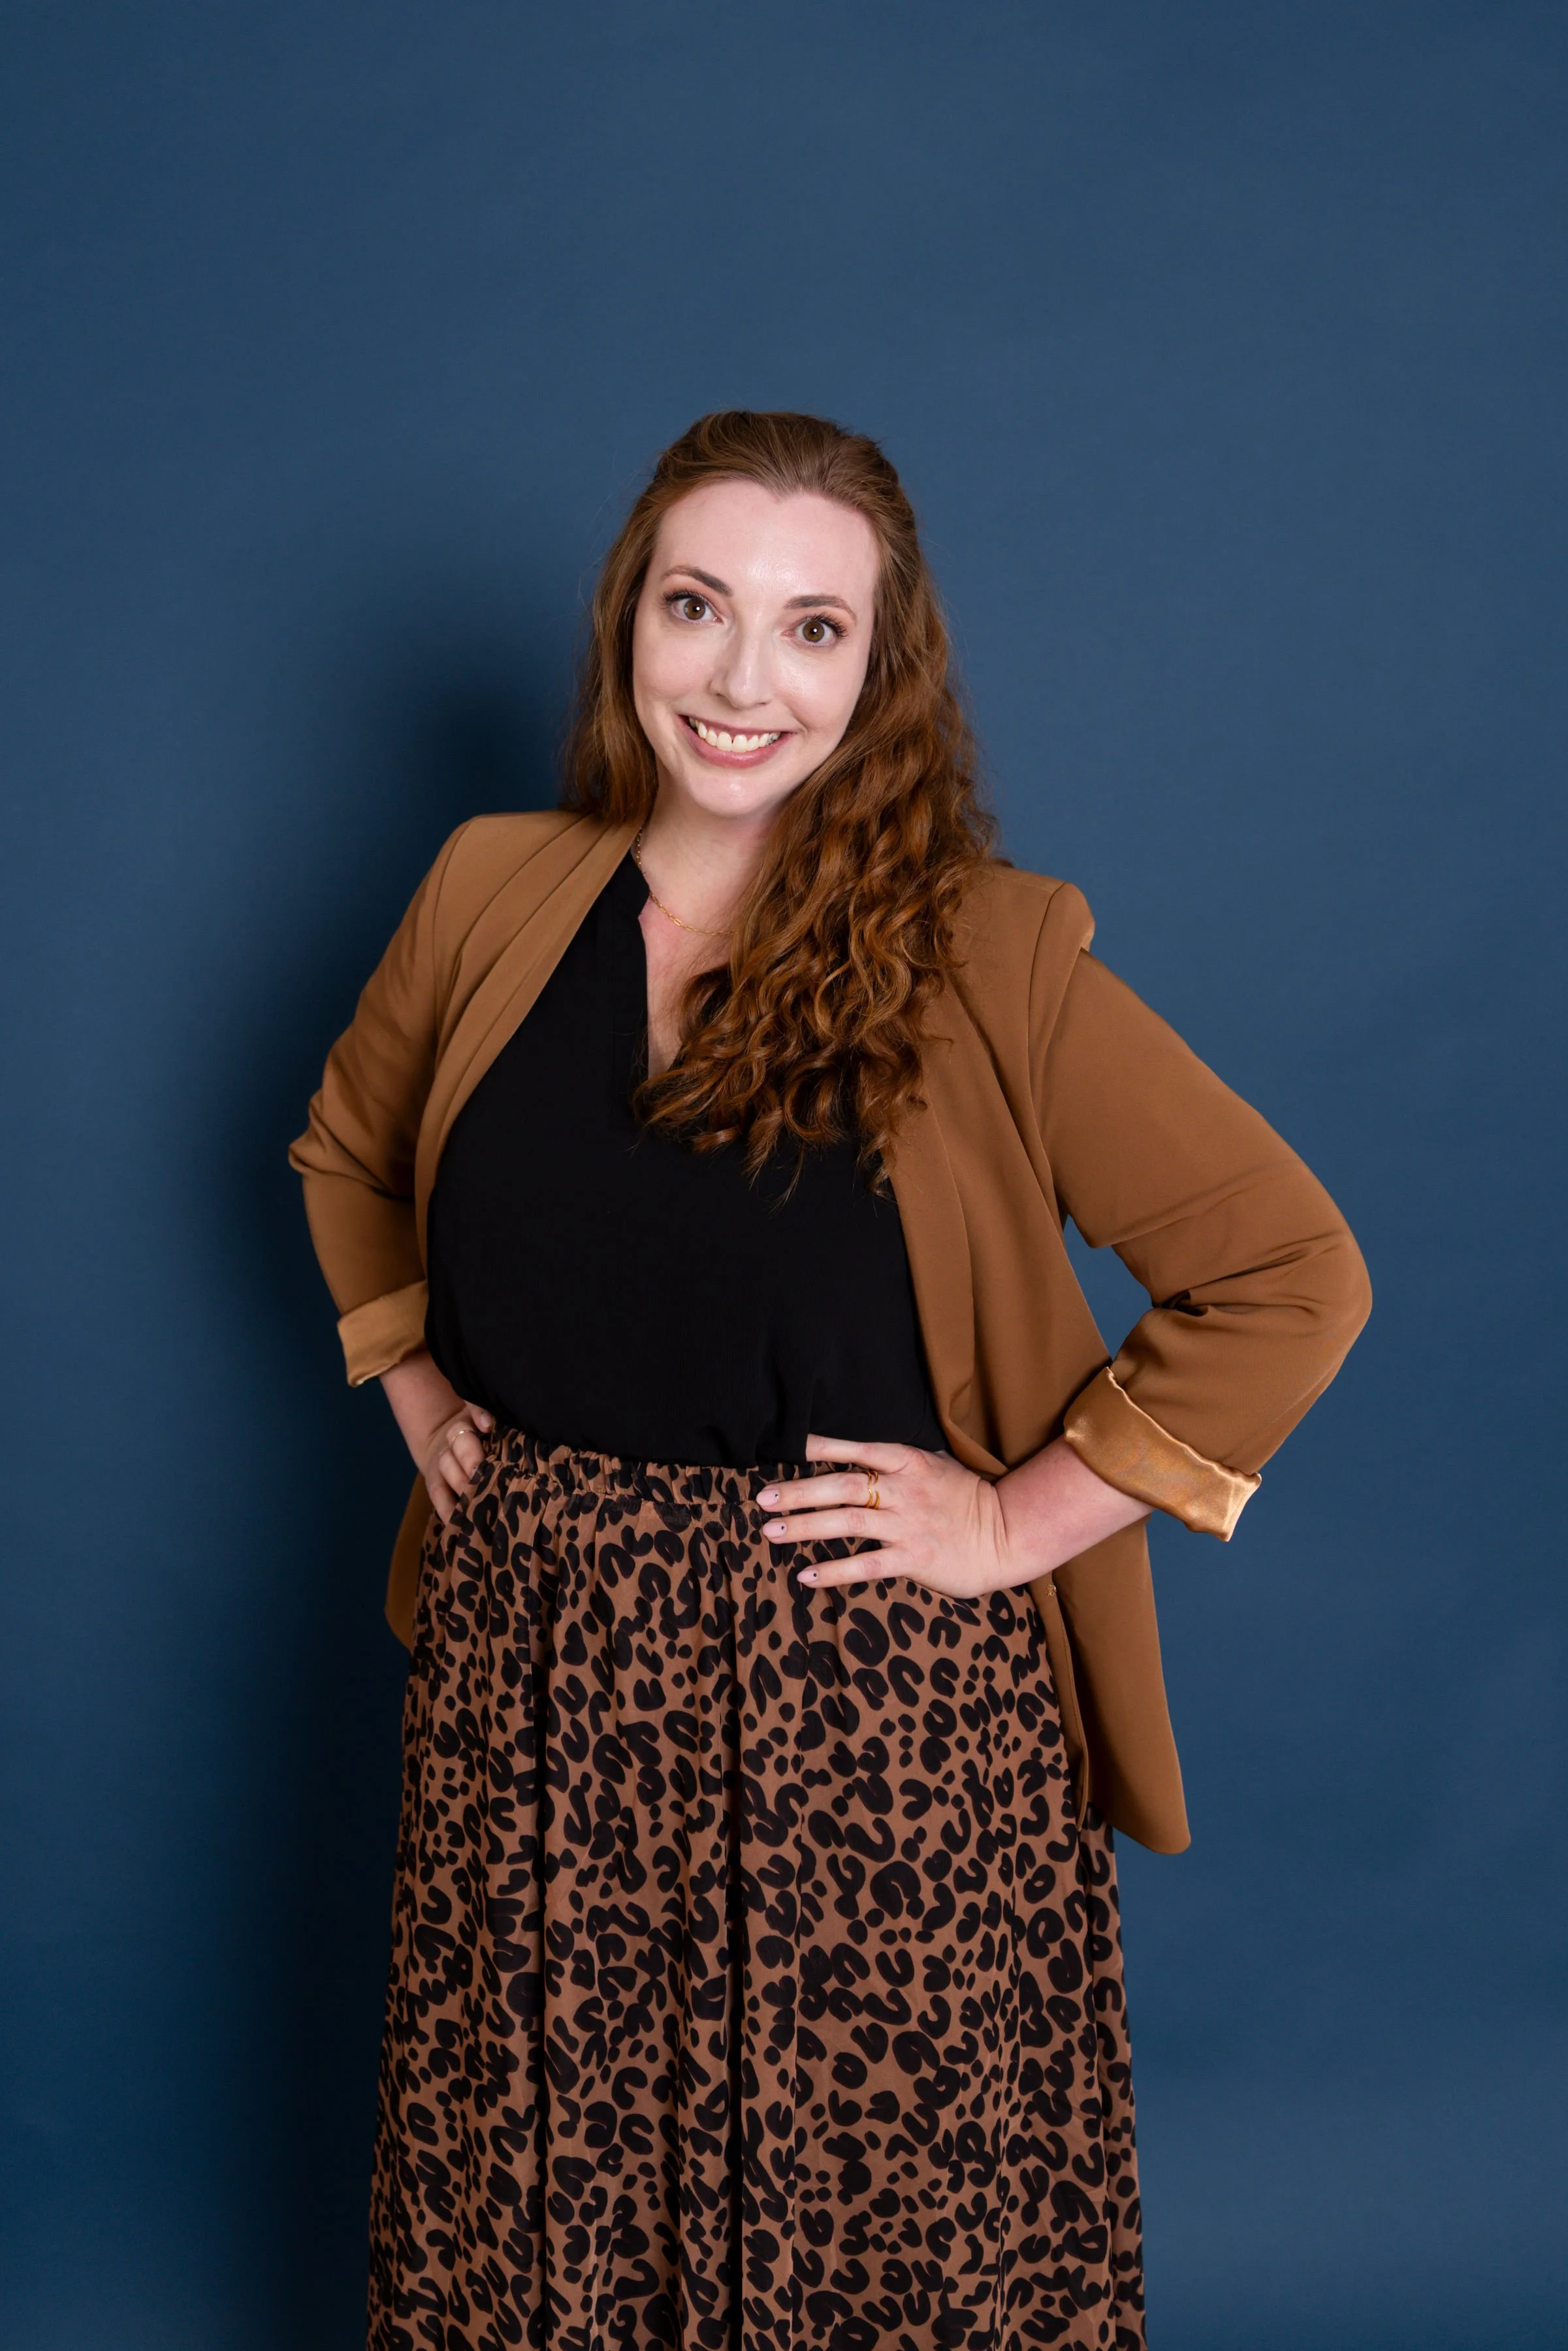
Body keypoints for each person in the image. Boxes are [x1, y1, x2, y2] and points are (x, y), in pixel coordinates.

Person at [291, 409, 1369, 2351]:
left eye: (811, 628)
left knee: (867, 2257)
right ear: (633, 619)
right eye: (699, 608)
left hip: (865, 1735)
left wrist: (1022, 1518)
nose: (739, 677)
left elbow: (1291, 1269)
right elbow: (349, 1158)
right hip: (533, 1706)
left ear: (881, 672)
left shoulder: (988, 954)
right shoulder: (489, 894)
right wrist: (422, 1396)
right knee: (533, 2233)